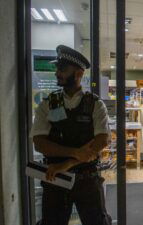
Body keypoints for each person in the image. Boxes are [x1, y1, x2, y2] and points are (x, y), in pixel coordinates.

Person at [30, 45, 112, 225]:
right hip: (55, 179)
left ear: (79, 74)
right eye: (57, 68)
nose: (57, 73)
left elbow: (102, 140)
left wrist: (66, 164)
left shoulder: (95, 104)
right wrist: (76, 153)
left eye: (62, 69)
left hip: (87, 180)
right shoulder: (50, 103)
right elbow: (39, 143)